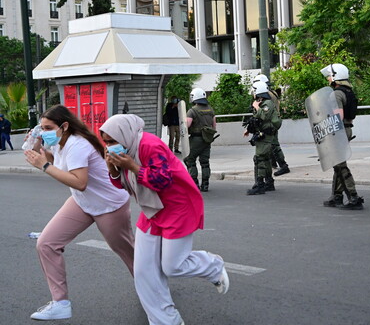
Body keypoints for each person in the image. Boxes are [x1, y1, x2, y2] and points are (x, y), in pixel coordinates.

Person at [100, 114, 229, 325]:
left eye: (112, 141)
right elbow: (123, 186)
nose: (109, 146)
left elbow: (162, 180)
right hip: (152, 209)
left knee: (172, 266)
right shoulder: (126, 150)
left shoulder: (150, 145)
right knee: (143, 271)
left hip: (178, 207)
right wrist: (112, 168)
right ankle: (165, 321)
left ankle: (212, 266)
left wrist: (132, 166)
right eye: (106, 142)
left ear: (125, 135)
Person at [22, 105, 134, 321]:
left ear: (64, 126)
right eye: (41, 127)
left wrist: (44, 166)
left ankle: (154, 287)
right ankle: (60, 303)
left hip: (108, 205)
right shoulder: (60, 142)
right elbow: (54, 161)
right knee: (46, 243)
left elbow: (80, 182)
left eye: (48, 128)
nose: (44, 131)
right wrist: (36, 142)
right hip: (83, 203)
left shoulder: (77, 144)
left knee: (129, 254)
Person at [320, 63, 364, 210]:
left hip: (339, 130)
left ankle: (354, 197)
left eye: (330, 75)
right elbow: (350, 117)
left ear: (335, 76)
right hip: (346, 129)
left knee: (340, 165)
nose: (328, 78)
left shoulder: (336, 94)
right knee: (337, 163)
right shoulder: (348, 92)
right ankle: (336, 196)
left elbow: (338, 116)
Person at [245, 81, 281, 195]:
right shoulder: (263, 103)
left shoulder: (268, 104)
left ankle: (260, 185)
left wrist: (257, 107)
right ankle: (269, 183)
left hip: (266, 136)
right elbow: (257, 120)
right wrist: (248, 129)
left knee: (259, 158)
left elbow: (264, 116)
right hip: (262, 136)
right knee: (265, 159)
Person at [253, 74, 290, 176]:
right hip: (273, 121)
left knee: (274, 145)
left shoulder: (268, 95)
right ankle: (275, 164)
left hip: (271, 123)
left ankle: (283, 165)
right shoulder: (271, 93)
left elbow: (266, 112)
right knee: (272, 146)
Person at [184, 88, 217, 192]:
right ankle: (205, 184)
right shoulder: (210, 109)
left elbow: (187, 125)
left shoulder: (192, 110)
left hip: (196, 139)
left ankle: (194, 183)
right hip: (207, 139)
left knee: (190, 160)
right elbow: (214, 125)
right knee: (205, 162)